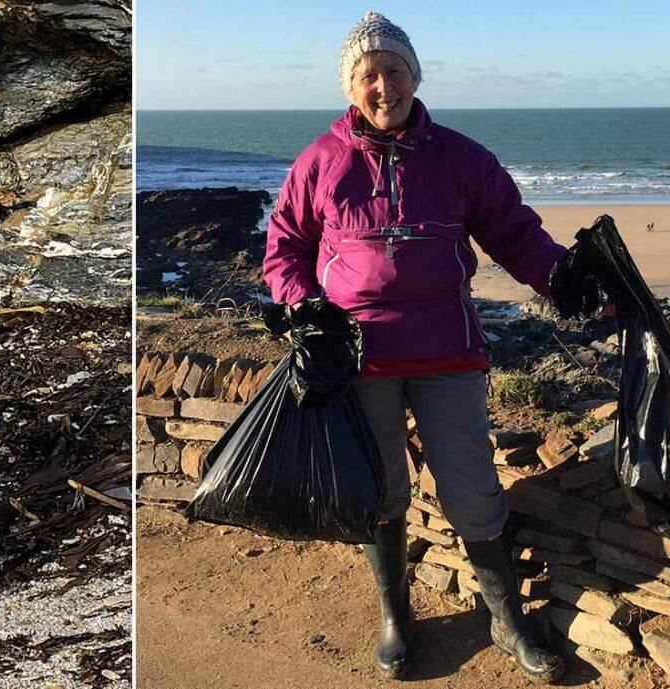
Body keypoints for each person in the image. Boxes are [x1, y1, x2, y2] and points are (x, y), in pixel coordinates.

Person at [264, 11, 591, 684]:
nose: (383, 87)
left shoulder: (463, 157)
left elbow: (514, 231)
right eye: (368, 76)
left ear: (415, 76)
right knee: (380, 488)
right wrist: (303, 304)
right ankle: (395, 614)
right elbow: (285, 249)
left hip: (448, 351)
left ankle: (505, 616)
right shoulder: (318, 162)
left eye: (394, 71)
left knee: (471, 487)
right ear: (349, 88)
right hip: (359, 359)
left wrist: (558, 276)